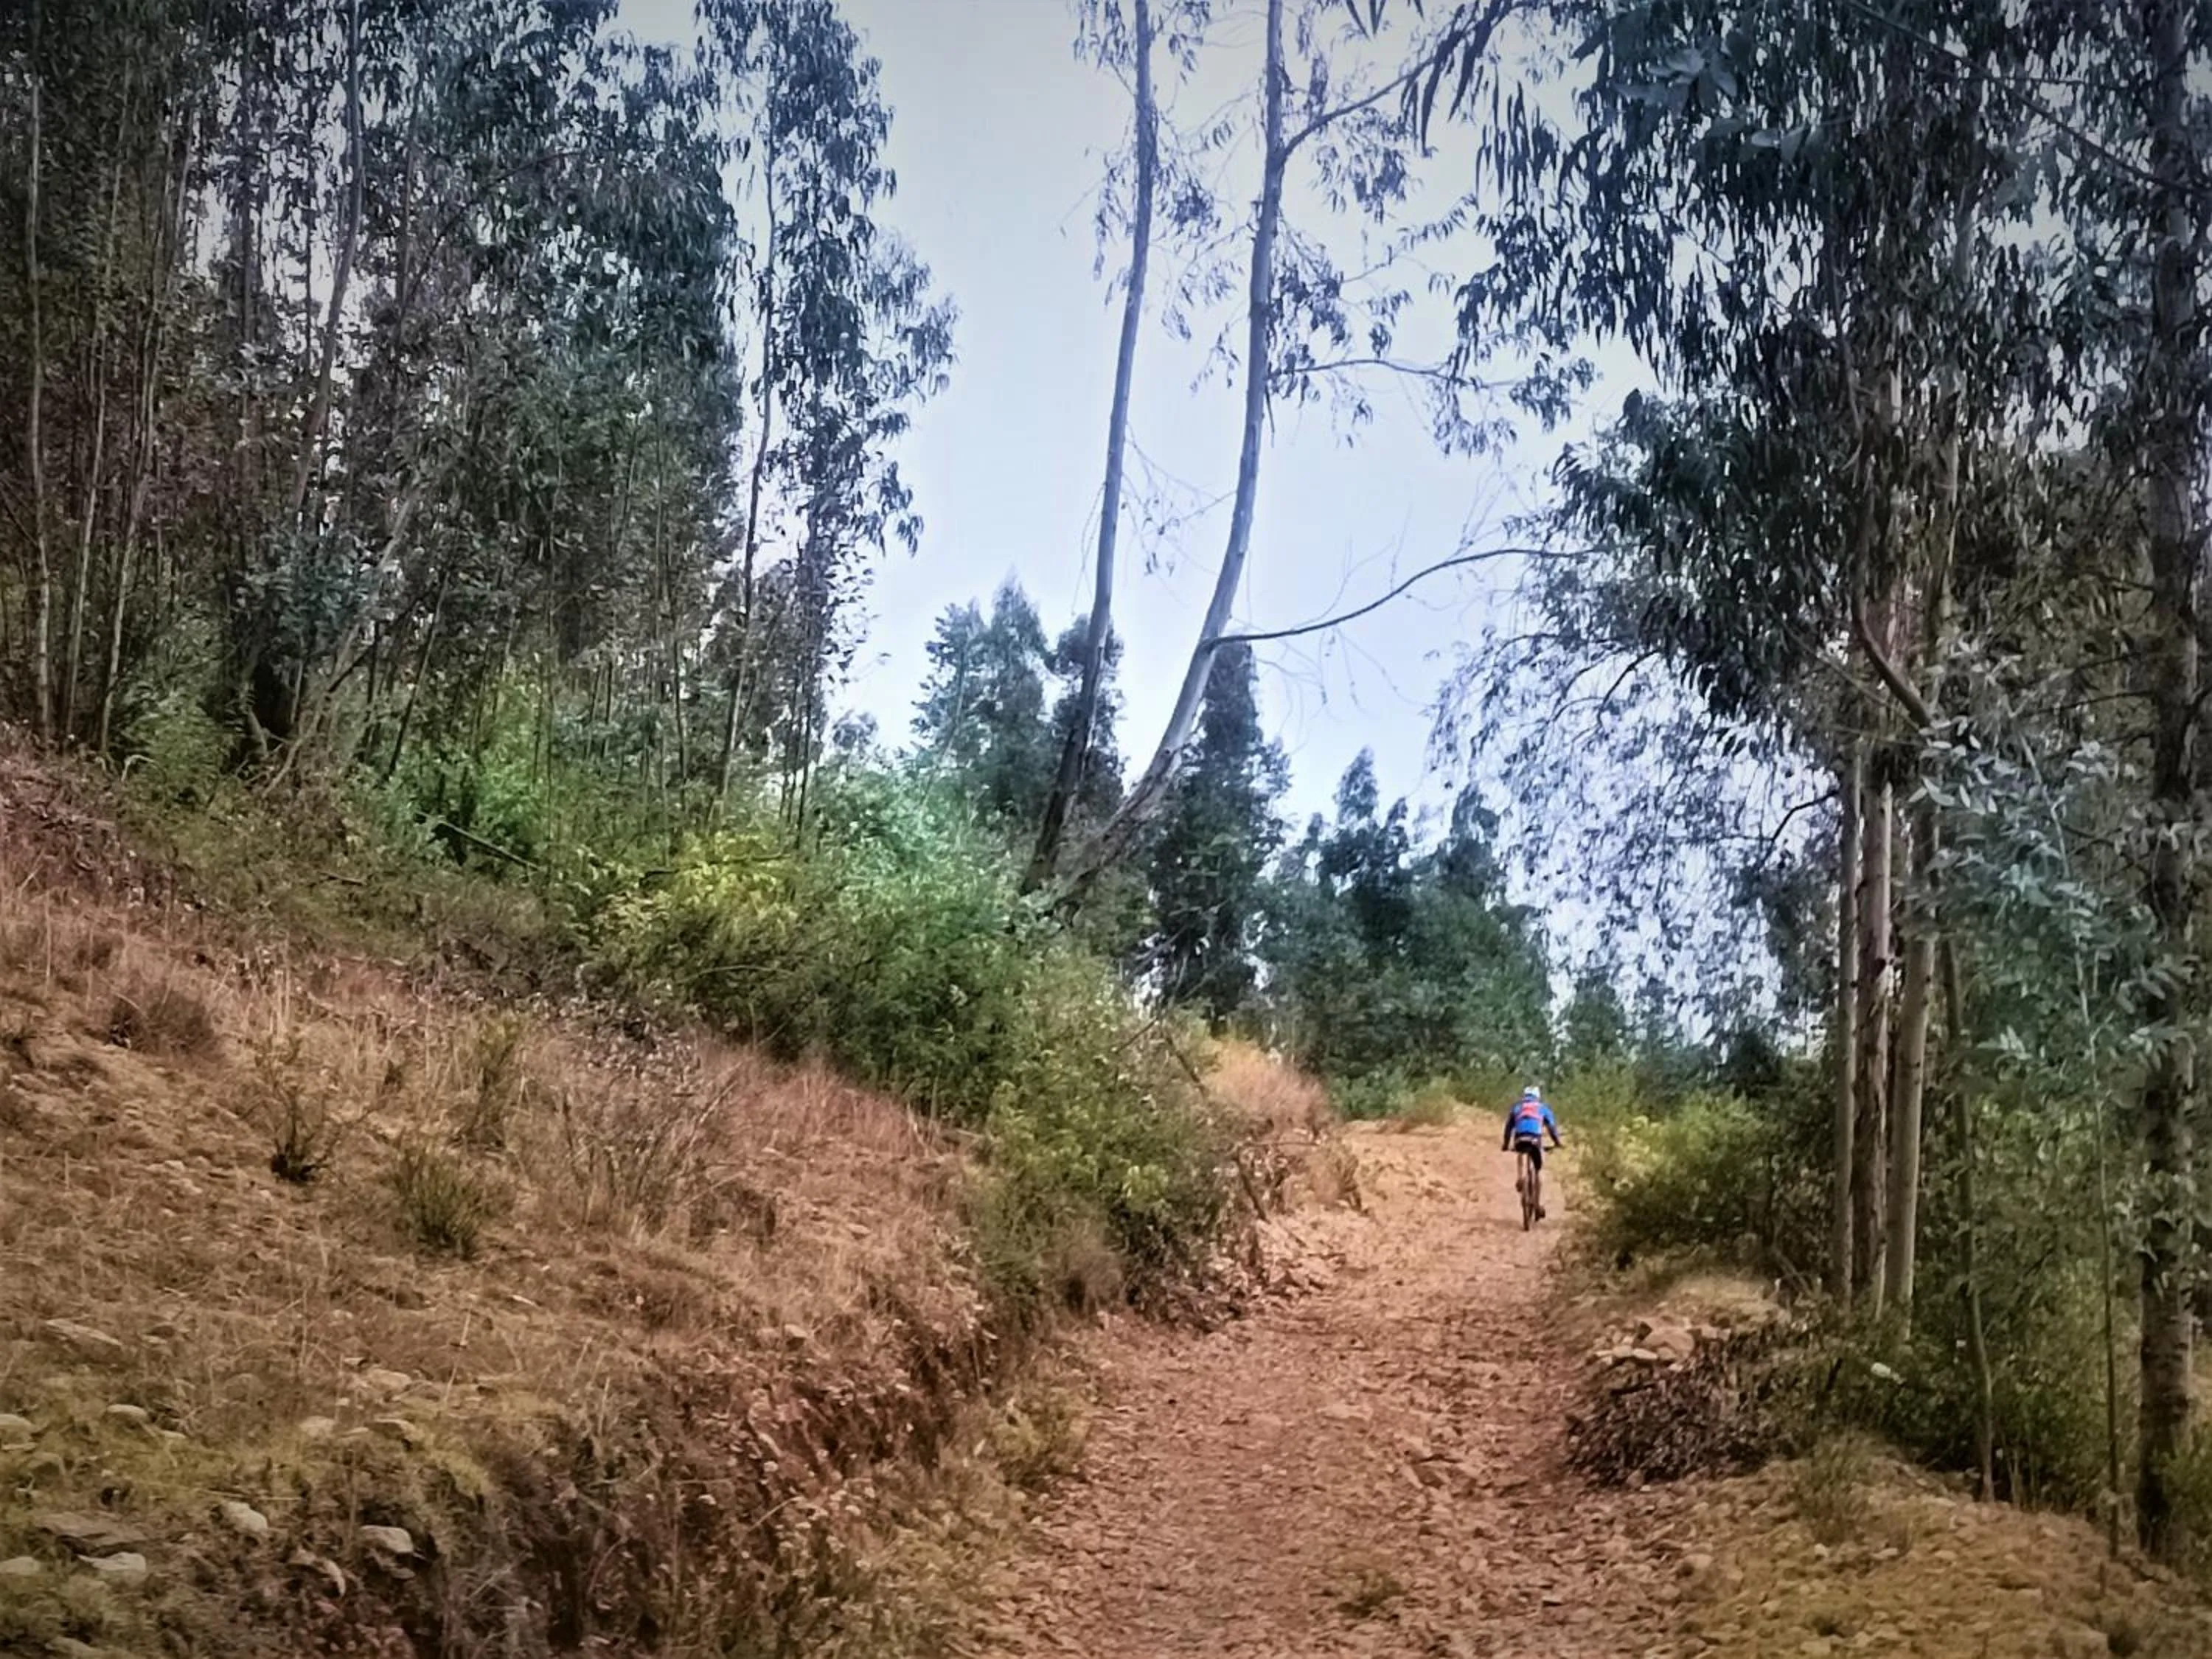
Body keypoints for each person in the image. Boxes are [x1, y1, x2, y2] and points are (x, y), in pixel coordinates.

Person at [1502, 1084, 1562, 1218]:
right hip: (1535, 1140)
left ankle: (1520, 1177)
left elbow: (1508, 1129)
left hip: (1520, 1139)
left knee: (1520, 1151)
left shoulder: (1517, 1107)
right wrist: (1557, 1143)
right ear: (1537, 1096)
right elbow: (1552, 1128)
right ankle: (1537, 1204)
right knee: (1537, 1170)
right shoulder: (1542, 1108)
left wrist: (1505, 1145)